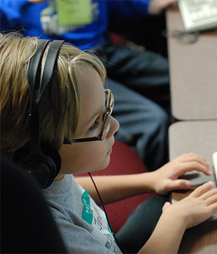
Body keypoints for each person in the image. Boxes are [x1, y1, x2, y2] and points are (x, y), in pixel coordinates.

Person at [0, 32, 217, 253]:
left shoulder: (45, 175)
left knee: (157, 205)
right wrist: (175, 221)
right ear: (42, 155)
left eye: (107, 107)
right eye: (94, 124)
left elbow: (72, 192)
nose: (115, 125)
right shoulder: (50, 229)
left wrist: (149, 180)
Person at [0, 0, 175, 171]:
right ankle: (161, 184)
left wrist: (148, 4)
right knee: (153, 121)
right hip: (66, 71)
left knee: (177, 80)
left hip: (104, 51)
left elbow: (116, 6)